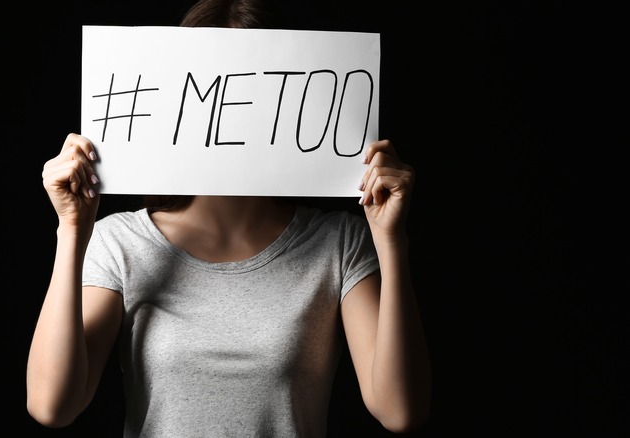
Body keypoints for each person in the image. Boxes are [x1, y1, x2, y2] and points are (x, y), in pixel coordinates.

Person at [26, 0, 431, 436]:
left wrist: (392, 241)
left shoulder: (338, 242)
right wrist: (71, 231)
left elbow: (399, 411)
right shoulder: (119, 242)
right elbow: (53, 406)